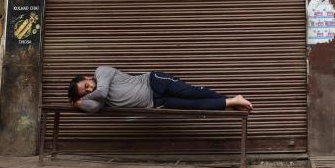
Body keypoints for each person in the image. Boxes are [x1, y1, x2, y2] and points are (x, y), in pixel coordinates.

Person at [67, 65, 253, 113]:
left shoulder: (101, 72)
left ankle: (232, 98)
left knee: (192, 92)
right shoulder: (97, 99)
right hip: (156, 102)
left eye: (86, 86)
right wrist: (80, 104)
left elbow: (103, 92)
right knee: (194, 105)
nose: (90, 89)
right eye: (86, 92)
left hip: (154, 82)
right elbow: (95, 108)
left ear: (86, 77)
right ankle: (232, 101)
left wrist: (83, 99)